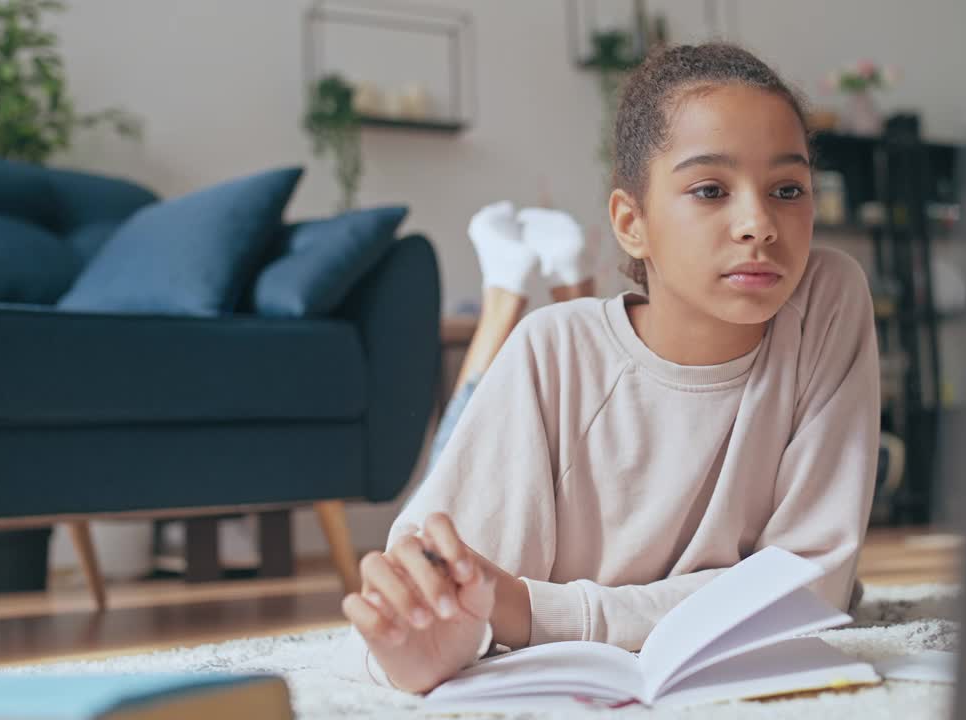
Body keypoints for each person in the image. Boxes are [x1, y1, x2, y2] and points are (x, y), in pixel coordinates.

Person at [341, 41, 881, 693]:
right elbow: (433, 597)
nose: (759, 223)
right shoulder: (552, 353)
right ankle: (505, 290)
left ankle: (511, 284)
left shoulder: (826, 299)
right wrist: (430, 637)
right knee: (499, 368)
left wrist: (532, 611)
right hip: (538, 368)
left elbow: (809, 585)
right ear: (631, 222)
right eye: (710, 189)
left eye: (788, 189)